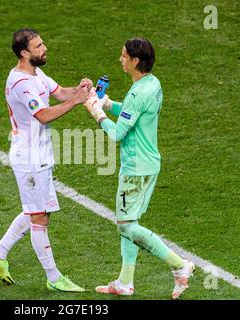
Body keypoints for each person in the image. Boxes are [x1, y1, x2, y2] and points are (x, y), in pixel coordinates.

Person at [83, 37, 195, 299]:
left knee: (126, 226)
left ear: (135, 61)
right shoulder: (152, 85)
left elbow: (118, 133)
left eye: (123, 56)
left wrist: (97, 113)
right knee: (130, 221)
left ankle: (180, 266)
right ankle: (125, 281)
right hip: (150, 164)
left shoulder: (137, 92)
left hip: (135, 169)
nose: (120, 59)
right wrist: (109, 105)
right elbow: (134, 113)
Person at [0, 28, 91, 292]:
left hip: (39, 155)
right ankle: (54, 279)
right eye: (39, 46)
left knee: (36, 210)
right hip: (29, 158)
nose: (45, 48)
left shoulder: (36, 73)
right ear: (24, 53)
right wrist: (77, 102)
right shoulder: (20, 84)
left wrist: (80, 89)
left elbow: (61, 92)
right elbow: (42, 115)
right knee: (40, 217)